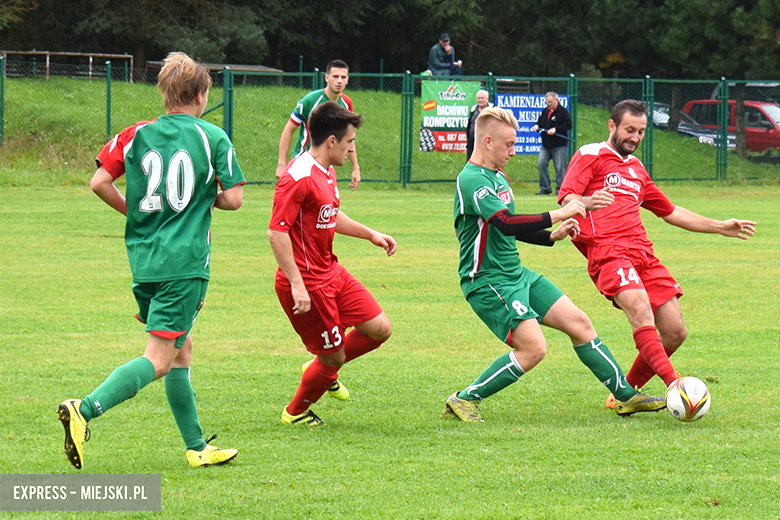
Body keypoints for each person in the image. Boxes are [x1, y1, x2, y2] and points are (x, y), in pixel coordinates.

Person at [57, 52, 245, 469]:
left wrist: (138, 212)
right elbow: (234, 199)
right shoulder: (212, 137)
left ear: (164, 93)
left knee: (181, 348)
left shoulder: (134, 134)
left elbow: (99, 182)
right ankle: (83, 409)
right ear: (200, 94)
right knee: (159, 357)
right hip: (185, 263)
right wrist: (200, 198)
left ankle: (197, 447)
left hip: (145, 262)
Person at [445, 106, 666, 423]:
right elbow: (505, 222)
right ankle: (464, 398)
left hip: (517, 275)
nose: (514, 150)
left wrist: (552, 235)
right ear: (488, 141)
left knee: (579, 323)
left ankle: (626, 397)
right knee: (533, 349)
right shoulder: (470, 179)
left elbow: (509, 229)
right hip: (487, 281)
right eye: (508, 144)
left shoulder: (498, 177)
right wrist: (561, 213)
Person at [558, 100, 756, 407]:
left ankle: (624, 395)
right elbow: (567, 198)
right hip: (608, 252)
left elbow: (671, 211)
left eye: (640, 132)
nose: (635, 138)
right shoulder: (590, 155)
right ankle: (676, 386)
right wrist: (585, 200)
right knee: (640, 310)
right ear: (612, 126)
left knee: (675, 331)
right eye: (629, 130)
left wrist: (719, 226)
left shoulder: (637, 170)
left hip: (643, 255)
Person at [269, 102, 397, 426]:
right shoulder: (297, 177)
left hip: (331, 271)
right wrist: (297, 284)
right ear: (331, 142)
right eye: (350, 142)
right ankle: (294, 413)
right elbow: (276, 232)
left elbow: (329, 215)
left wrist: (370, 234)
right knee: (335, 357)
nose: (352, 148)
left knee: (379, 329)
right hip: (308, 282)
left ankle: (320, 366)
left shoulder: (326, 171)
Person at [276, 59, 361, 190]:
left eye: (343, 77)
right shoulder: (310, 101)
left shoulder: (346, 103)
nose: (339, 81)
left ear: (347, 80)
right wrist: (281, 164)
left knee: (326, 207)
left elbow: (348, 137)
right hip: (304, 161)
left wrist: (355, 167)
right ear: (327, 78)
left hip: (327, 164)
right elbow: (288, 130)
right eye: (335, 76)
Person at [532, 92, 572, 195]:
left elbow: (568, 124)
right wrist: (536, 126)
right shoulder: (545, 111)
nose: (549, 104)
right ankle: (545, 187)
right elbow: (540, 122)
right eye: (548, 102)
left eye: (551, 102)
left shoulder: (562, 112)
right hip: (546, 144)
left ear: (556, 100)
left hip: (558, 144)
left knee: (559, 167)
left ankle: (560, 189)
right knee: (541, 163)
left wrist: (556, 129)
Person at [465, 89, 492, 160]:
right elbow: (469, 126)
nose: (480, 100)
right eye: (479, 98)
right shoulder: (473, 110)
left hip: (486, 142)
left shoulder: (492, 110)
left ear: (487, 99)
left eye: (482, 98)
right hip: (473, 142)